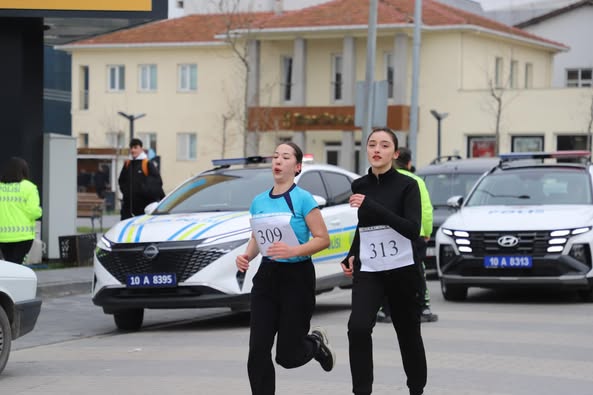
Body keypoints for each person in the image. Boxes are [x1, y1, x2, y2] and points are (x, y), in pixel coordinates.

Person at [236, 142, 335, 395]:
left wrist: (293, 251)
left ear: (297, 166)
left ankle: (314, 344)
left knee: (288, 356)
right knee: (258, 351)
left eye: (285, 157)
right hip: (267, 278)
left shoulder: (303, 199)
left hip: (297, 278)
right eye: (276, 156)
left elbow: (323, 239)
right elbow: (258, 238)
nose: (278, 160)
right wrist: (246, 255)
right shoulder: (259, 202)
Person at [341, 128, 427, 395]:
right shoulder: (360, 185)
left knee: (408, 334)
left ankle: (416, 389)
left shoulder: (408, 185)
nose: (377, 150)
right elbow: (364, 226)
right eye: (372, 144)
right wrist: (352, 252)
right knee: (357, 327)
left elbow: (412, 229)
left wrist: (372, 205)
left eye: (384, 145)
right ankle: (362, 391)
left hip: (403, 270)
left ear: (395, 153)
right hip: (371, 270)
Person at [377, 147, 438, 324]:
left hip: (389, 234)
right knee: (417, 272)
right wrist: (426, 232)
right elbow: (425, 210)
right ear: (409, 163)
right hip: (414, 235)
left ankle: (385, 310)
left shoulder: (386, 180)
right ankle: (423, 308)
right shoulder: (417, 181)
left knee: (387, 272)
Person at [0, 157, 42, 264]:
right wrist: (39, 211)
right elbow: (34, 212)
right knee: (17, 266)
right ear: (24, 171)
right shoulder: (29, 187)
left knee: (8, 264)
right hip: (23, 236)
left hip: (3, 236)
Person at [118, 138, 165, 220]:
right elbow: (121, 181)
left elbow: (157, 182)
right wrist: (126, 192)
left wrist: (144, 191)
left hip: (144, 208)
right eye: (131, 148)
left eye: (135, 147)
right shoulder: (127, 164)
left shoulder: (146, 164)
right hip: (128, 209)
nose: (133, 150)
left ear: (141, 148)